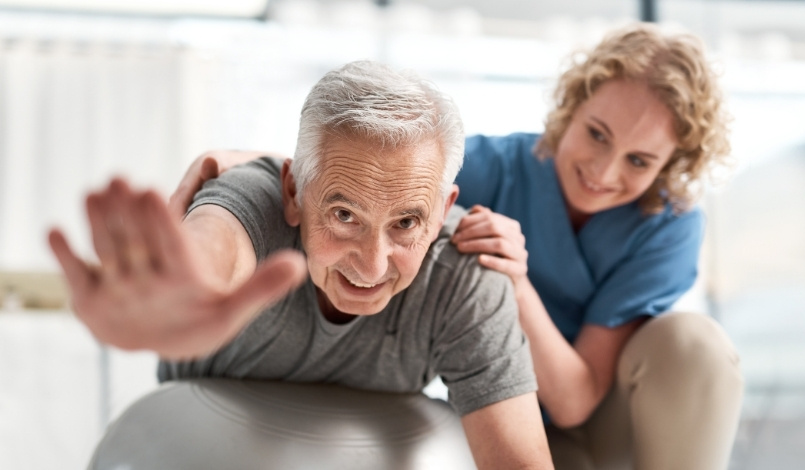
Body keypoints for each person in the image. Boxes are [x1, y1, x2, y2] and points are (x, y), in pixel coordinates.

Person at [171, 22, 744, 470]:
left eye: (640, 161)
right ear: (570, 109)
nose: (603, 170)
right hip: (488, 411)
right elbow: (370, 167)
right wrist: (247, 167)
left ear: (672, 166)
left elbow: (574, 402)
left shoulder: (666, 227)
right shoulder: (501, 167)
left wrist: (515, 284)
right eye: (596, 134)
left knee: (693, 340)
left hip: (599, 414)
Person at [48, 60, 553, 470]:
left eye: (405, 223)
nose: (373, 264)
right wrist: (182, 293)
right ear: (294, 192)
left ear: (443, 211)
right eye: (344, 215)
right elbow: (214, 245)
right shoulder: (255, 199)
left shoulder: (465, 269)